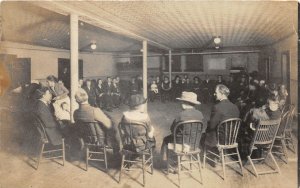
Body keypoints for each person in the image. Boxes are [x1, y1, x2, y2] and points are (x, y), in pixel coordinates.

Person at [161, 91, 206, 161]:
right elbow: (200, 129)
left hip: (182, 145)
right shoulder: (200, 114)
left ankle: (167, 161)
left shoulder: (181, 115)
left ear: (184, 104)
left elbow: (173, 129)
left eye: (181, 102)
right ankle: (182, 157)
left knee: (166, 139)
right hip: (195, 144)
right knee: (186, 136)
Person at [205, 84, 240, 150]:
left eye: (216, 93)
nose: (214, 94)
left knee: (204, 135)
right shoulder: (235, 107)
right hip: (232, 138)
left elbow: (212, 126)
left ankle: (213, 153)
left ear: (222, 94)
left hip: (221, 139)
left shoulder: (217, 107)